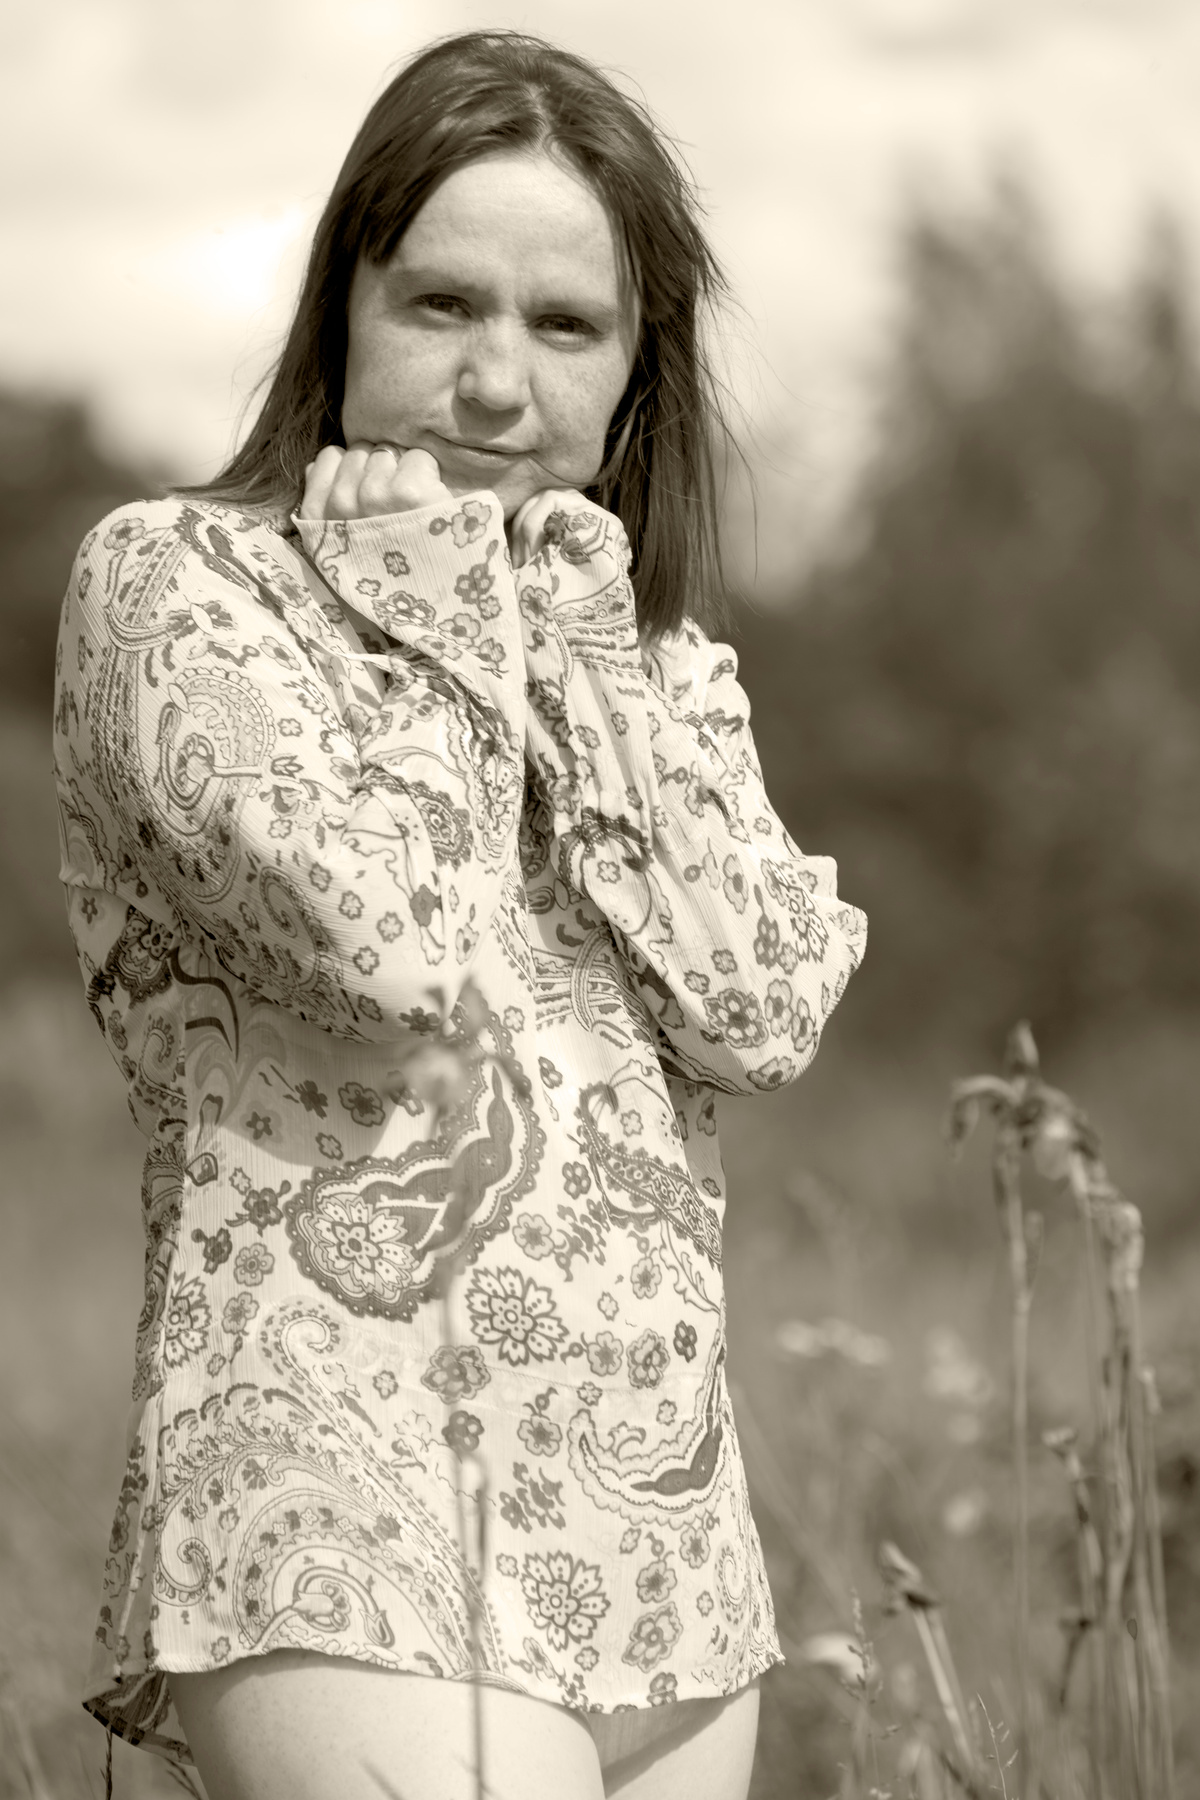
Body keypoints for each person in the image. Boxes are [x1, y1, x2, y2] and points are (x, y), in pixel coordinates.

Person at [53, 29, 866, 1800]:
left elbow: (763, 1010)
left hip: (662, 1555)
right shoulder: (181, 589)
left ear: (637, 374)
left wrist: (575, 652)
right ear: (344, 307)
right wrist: (434, 616)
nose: (497, 381)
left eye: (567, 327)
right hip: (341, 1501)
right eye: (442, 304)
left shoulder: (646, 660)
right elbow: (390, 944)